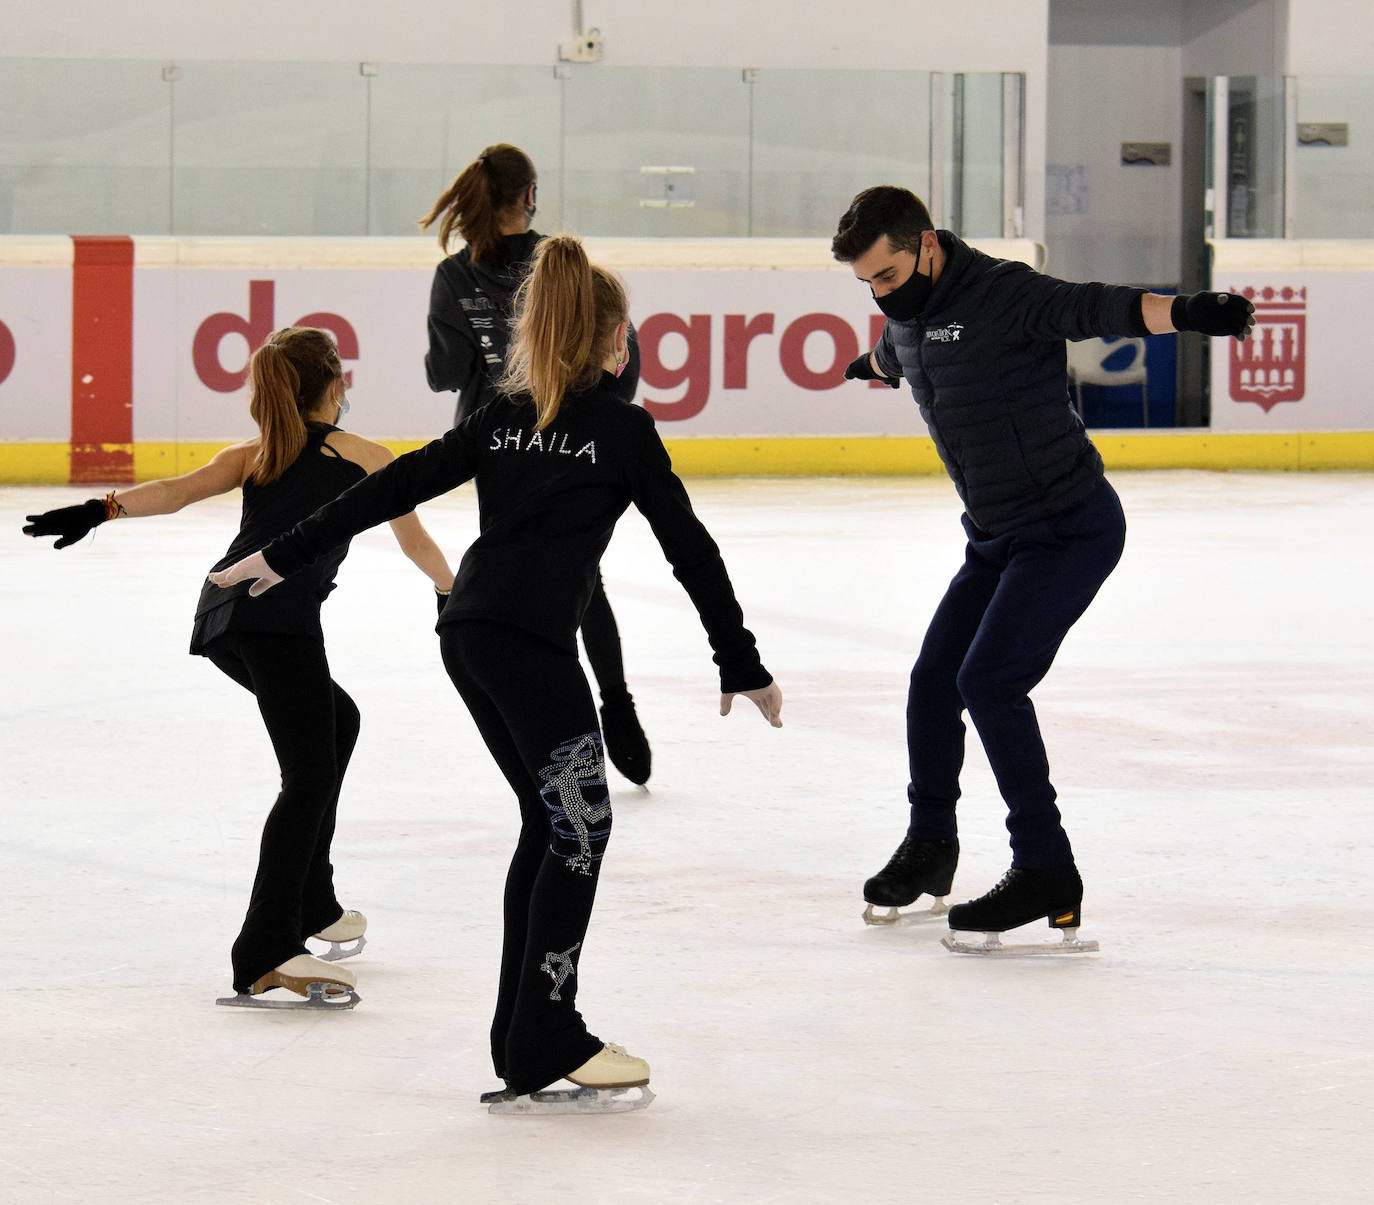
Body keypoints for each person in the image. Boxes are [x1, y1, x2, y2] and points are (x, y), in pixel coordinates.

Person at [208, 236, 783, 1109]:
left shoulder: (504, 413)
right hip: (525, 646)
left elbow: (394, 484)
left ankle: (524, 1037)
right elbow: (689, 549)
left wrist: (281, 552)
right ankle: (546, 1033)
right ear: (616, 338)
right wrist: (738, 658)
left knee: (551, 825)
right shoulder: (620, 429)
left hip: (471, 634)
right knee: (580, 830)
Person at [832, 186, 1254, 947]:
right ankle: (931, 846)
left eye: (887, 275)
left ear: (926, 244)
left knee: (988, 680)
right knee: (934, 681)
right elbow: (898, 355)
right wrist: (865, 362)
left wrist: (1189, 312)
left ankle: (1046, 868)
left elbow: (1104, 307)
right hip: (994, 535)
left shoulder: (1004, 294)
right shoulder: (909, 318)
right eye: (867, 284)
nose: (880, 293)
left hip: (1068, 527)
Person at [23, 327, 454, 1004]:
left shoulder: (259, 452)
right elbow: (416, 542)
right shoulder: (366, 455)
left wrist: (98, 508)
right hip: (274, 620)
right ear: (336, 387)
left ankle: (313, 902)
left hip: (225, 614)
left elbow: (176, 491)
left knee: (338, 721)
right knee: (309, 772)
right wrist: (452, 592)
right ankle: (266, 947)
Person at [419, 142, 652, 788]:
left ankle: (569, 704)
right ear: (529, 197)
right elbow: (620, 354)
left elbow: (443, 374)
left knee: (520, 564)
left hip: (495, 447)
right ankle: (615, 704)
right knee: (580, 574)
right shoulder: (559, 263)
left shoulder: (455, 276)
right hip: (572, 432)